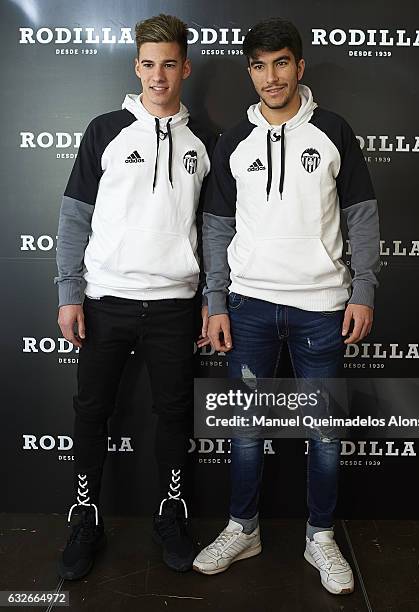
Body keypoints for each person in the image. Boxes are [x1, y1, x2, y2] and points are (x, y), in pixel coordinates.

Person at [194, 18, 380, 595]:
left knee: (323, 433)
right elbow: (217, 226)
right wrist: (217, 302)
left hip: (322, 307)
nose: (270, 77)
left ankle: (320, 537)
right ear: (249, 71)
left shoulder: (334, 131)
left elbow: (362, 216)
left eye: (281, 63)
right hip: (248, 306)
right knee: (247, 430)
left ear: (299, 67)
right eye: (259, 66)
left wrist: (364, 289)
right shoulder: (232, 141)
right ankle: (242, 528)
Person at [55, 13, 215, 579]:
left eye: (169, 63)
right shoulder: (105, 129)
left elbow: (214, 229)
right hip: (106, 298)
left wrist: (209, 302)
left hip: (175, 304)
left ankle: (171, 513)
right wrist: (70, 291)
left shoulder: (207, 141)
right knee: (91, 411)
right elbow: (75, 218)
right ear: (136, 67)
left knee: (173, 413)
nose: (158, 75)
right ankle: (84, 516)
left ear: (185, 67)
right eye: (148, 64)